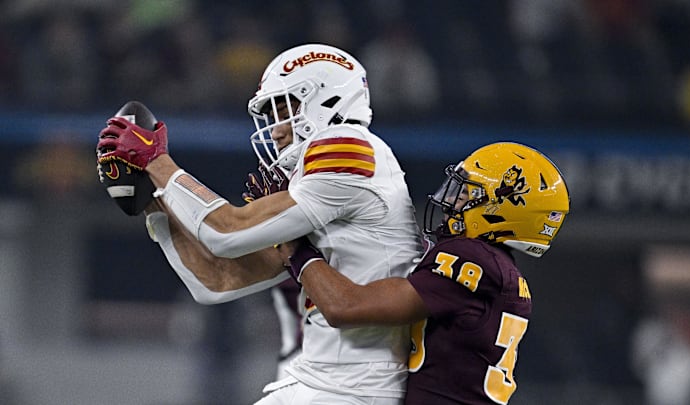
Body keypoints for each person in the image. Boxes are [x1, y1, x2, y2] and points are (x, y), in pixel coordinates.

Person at [96, 43, 425, 404]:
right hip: (326, 383)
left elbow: (226, 233)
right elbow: (218, 280)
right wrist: (154, 201)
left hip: (353, 389)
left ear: (328, 99)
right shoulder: (326, 185)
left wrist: (157, 162)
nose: (277, 131)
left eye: (285, 109)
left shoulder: (350, 145)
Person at [281, 142, 571, 404]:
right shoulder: (501, 273)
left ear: (501, 208)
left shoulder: (473, 259)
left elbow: (345, 307)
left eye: (468, 194)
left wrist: (297, 249)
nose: (451, 202)